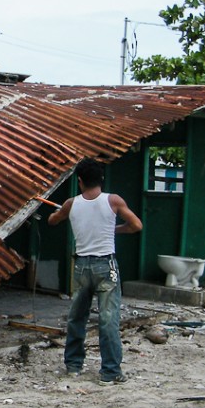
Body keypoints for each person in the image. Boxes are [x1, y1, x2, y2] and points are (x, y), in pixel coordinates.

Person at [47, 158, 142, 384]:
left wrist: (63, 210)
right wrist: (113, 229)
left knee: (77, 316)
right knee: (108, 319)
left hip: (81, 267)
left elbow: (52, 220)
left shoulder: (71, 203)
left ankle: (73, 366)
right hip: (105, 266)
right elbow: (136, 225)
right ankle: (110, 372)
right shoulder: (113, 200)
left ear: (80, 181)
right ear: (101, 178)